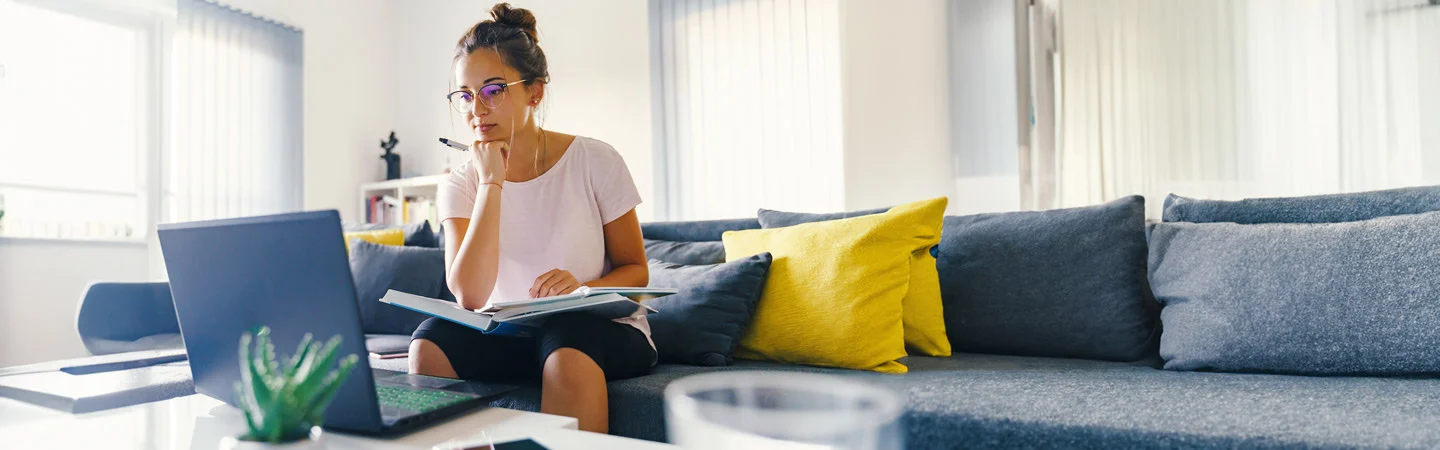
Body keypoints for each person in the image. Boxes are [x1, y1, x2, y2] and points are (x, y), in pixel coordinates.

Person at [406, 3, 653, 434]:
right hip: (511, 335)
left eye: (493, 90)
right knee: (429, 342)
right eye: (465, 94)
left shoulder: (596, 160)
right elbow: (469, 294)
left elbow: (637, 273)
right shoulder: (460, 183)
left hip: (596, 329)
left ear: (534, 92)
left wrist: (581, 288)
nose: (476, 109)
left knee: (566, 345)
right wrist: (490, 183)